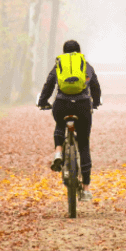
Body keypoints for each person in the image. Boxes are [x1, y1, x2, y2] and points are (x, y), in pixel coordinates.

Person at [37, 40, 101, 202]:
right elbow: (95, 86)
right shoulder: (85, 65)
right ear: (79, 52)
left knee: (60, 123)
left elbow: (49, 84)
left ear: (64, 52)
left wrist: (43, 102)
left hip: (62, 104)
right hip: (82, 105)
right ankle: (86, 189)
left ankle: (58, 151)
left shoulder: (59, 65)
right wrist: (96, 101)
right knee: (84, 144)